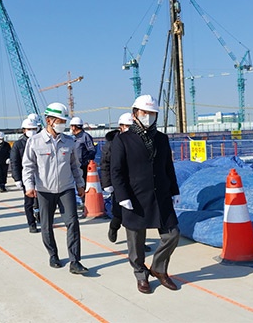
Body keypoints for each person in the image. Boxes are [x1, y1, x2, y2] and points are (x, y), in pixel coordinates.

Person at [111, 94, 181, 294]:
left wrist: (174, 190)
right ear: (135, 114)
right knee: (136, 242)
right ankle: (141, 275)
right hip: (135, 197)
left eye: (152, 113)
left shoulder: (161, 139)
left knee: (173, 235)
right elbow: (116, 171)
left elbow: (168, 166)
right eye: (145, 112)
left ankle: (159, 269)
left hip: (161, 195)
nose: (148, 116)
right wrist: (122, 196)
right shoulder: (122, 140)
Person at [22, 102, 89, 275]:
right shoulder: (35, 141)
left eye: (63, 121)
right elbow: (28, 166)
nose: (62, 124)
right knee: (46, 225)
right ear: (49, 120)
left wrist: (80, 185)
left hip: (66, 188)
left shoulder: (69, 141)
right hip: (44, 190)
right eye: (59, 120)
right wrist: (29, 186)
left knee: (72, 223)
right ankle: (53, 254)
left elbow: (75, 165)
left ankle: (75, 261)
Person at [101, 113, 152, 252]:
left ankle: (139, 243)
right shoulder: (112, 144)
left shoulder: (141, 140)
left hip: (137, 184)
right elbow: (105, 165)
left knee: (139, 215)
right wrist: (107, 184)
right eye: (127, 126)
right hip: (119, 184)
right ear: (121, 127)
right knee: (119, 213)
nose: (130, 129)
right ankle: (114, 227)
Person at [10, 118, 40, 233]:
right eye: (29, 129)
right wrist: (17, 178)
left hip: (41, 176)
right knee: (29, 202)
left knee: (42, 200)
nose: (31, 131)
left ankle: (41, 217)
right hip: (26, 177)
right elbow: (15, 162)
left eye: (34, 129)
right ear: (24, 130)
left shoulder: (40, 141)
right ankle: (31, 223)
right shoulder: (18, 144)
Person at [70, 116, 97, 217]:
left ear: (75, 127)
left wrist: (87, 160)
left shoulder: (85, 136)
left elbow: (92, 150)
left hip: (83, 166)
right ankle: (81, 204)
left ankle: (86, 206)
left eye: (72, 126)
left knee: (84, 186)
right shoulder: (73, 138)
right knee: (77, 187)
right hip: (74, 166)